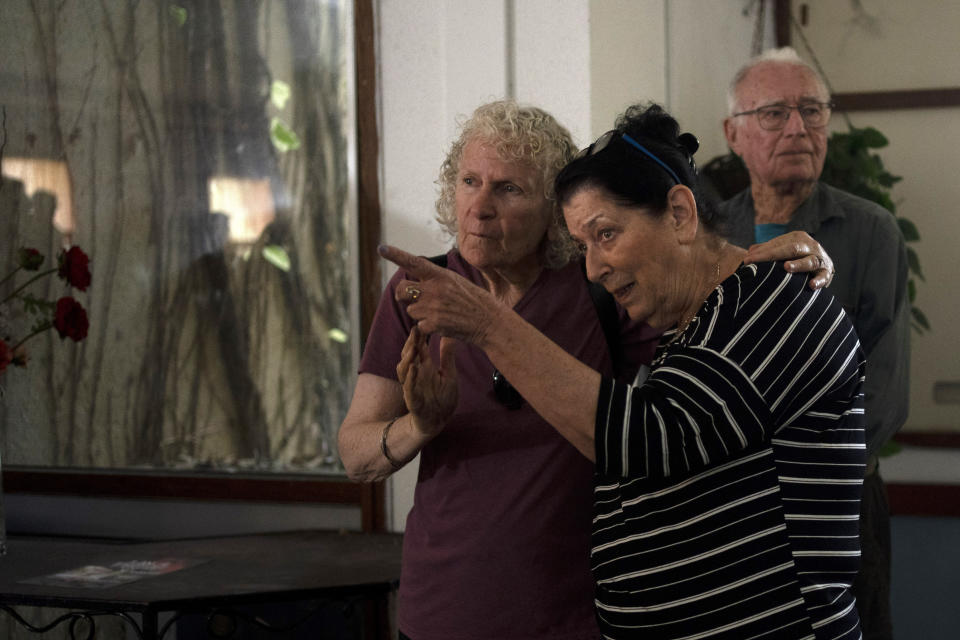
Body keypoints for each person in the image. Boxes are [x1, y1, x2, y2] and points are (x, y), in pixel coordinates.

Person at [338, 100, 834, 640]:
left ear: (552, 211)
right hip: (441, 607)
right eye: (469, 181)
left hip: (570, 611)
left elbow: (696, 313)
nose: (479, 207)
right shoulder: (417, 291)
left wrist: (756, 258)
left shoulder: (601, 284)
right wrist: (421, 426)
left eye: (509, 189)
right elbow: (356, 454)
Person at [721, 47, 910, 640]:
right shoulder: (706, 236)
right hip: (729, 508)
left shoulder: (872, 230)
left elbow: (886, 383)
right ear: (733, 133)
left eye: (813, 110)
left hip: (841, 505)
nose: (800, 128)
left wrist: (809, 472)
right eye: (775, 113)